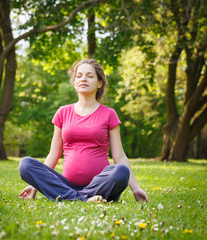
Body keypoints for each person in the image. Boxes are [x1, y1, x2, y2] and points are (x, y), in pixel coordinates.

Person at [19, 59, 149, 203]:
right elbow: (54, 154)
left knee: (121, 171)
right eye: (79, 75)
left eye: (89, 75)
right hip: (66, 185)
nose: (83, 79)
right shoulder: (63, 112)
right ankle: (83, 199)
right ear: (74, 82)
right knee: (25, 164)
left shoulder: (109, 114)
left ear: (100, 83)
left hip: (100, 186)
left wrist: (136, 188)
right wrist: (34, 185)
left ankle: (72, 198)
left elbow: (119, 156)